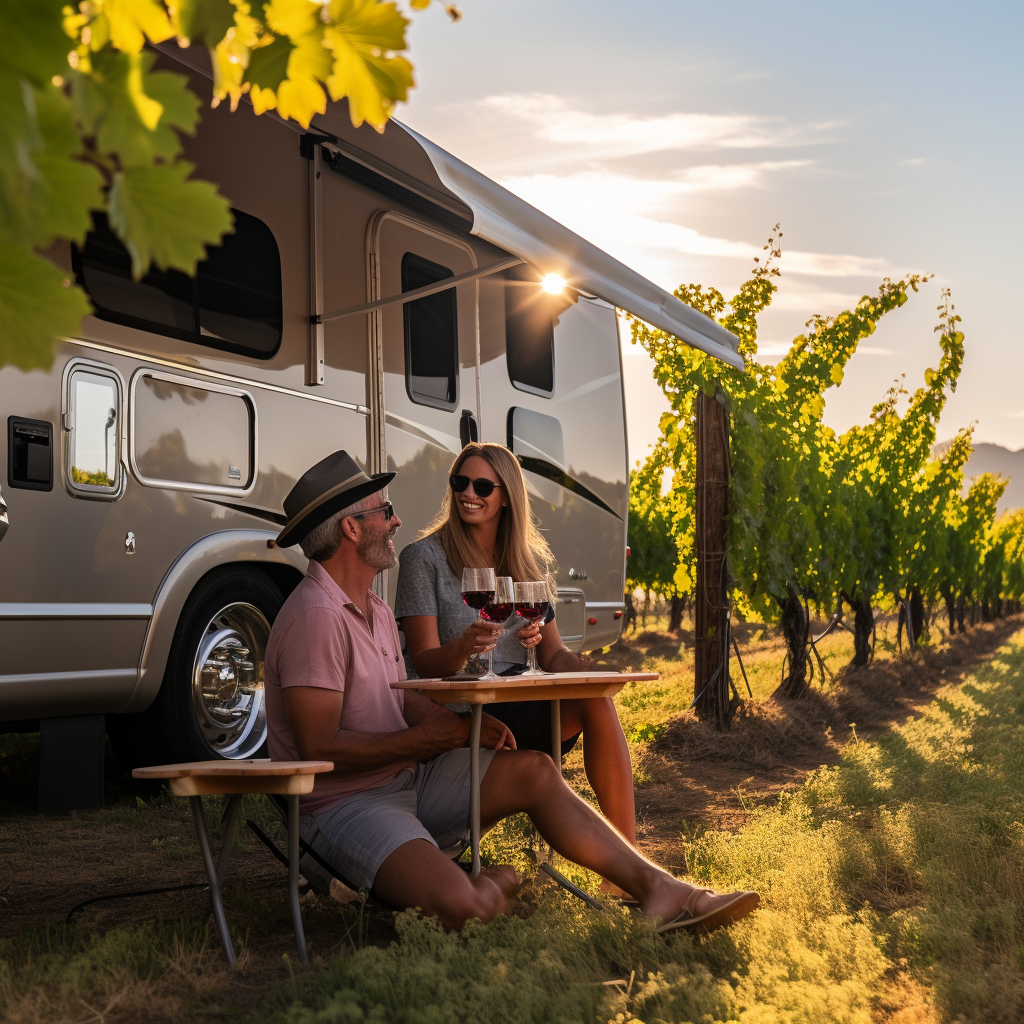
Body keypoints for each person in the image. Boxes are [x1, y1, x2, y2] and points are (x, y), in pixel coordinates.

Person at [264, 449, 759, 932]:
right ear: (351, 528)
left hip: (406, 781)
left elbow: (401, 695)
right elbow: (318, 746)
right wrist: (438, 737)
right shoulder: (317, 617)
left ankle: (661, 889)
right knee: (469, 908)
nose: (396, 522)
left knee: (537, 771)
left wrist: (455, 730)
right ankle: (493, 882)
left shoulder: (369, 607)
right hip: (348, 805)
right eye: (385, 512)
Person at [395, 443, 636, 863]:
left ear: (506, 495)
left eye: (483, 485)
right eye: (460, 482)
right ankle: (627, 865)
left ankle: (627, 865)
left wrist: (580, 667)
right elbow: (423, 662)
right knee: (587, 702)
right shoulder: (424, 558)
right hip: (464, 711)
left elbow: (554, 655)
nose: (468, 492)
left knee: (597, 699)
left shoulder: (530, 564)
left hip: (518, 701)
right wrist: (462, 649)